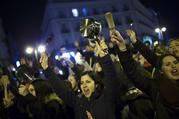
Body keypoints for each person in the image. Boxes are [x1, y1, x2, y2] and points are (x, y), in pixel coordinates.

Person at [40, 39, 120, 119]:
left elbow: (111, 76)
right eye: (82, 83)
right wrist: (47, 70)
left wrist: (104, 56)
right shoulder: (78, 103)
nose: (84, 85)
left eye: (88, 82)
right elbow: (61, 89)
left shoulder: (107, 98)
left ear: (96, 84)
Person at [111, 29, 179, 119]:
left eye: (175, 62)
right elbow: (133, 72)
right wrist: (123, 47)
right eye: (168, 64)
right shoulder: (155, 87)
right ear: (161, 70)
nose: (173, 66)